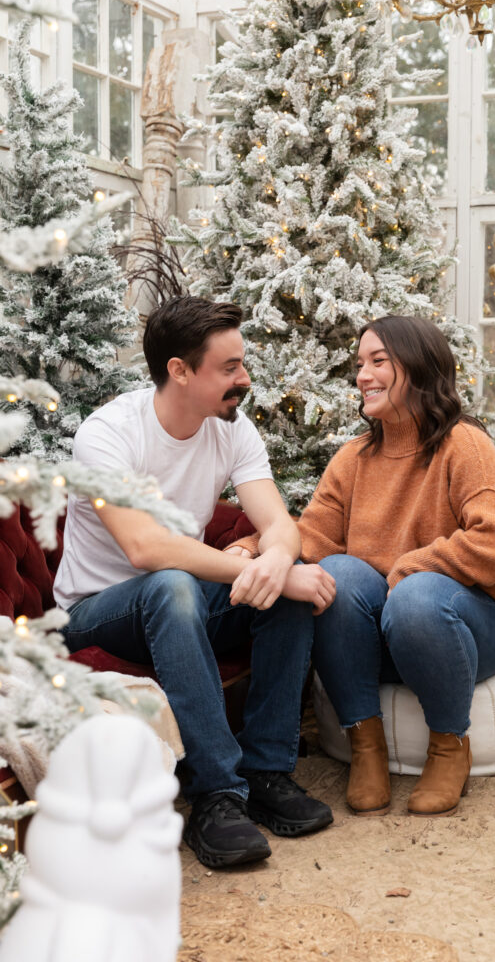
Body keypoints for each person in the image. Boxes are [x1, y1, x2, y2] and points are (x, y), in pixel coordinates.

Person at [54, 296, 336, 868]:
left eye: (242, 364)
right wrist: (267, 568)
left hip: (174, 603)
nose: (245, 379)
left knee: (277, 592)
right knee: (174, 583)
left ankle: (267, 774)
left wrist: (278, 564)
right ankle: (216, 796)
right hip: (94, 614)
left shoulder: (230, 429)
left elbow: (279, 523)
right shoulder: (106, 435)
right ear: (179, 371)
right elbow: (145, 547)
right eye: (229, 368)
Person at [230, 315, 495, 818]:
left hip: (470, 630)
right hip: (387, 635)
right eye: (359, 364)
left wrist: (414, 567)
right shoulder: (354, 457)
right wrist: (253, 546)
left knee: (417, 597)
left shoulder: (464, 443)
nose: (362, 375)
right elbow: (315, 534)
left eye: (378, 362)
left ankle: (449, 745)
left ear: (417, 368)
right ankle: (365, 745)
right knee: (337, 576)